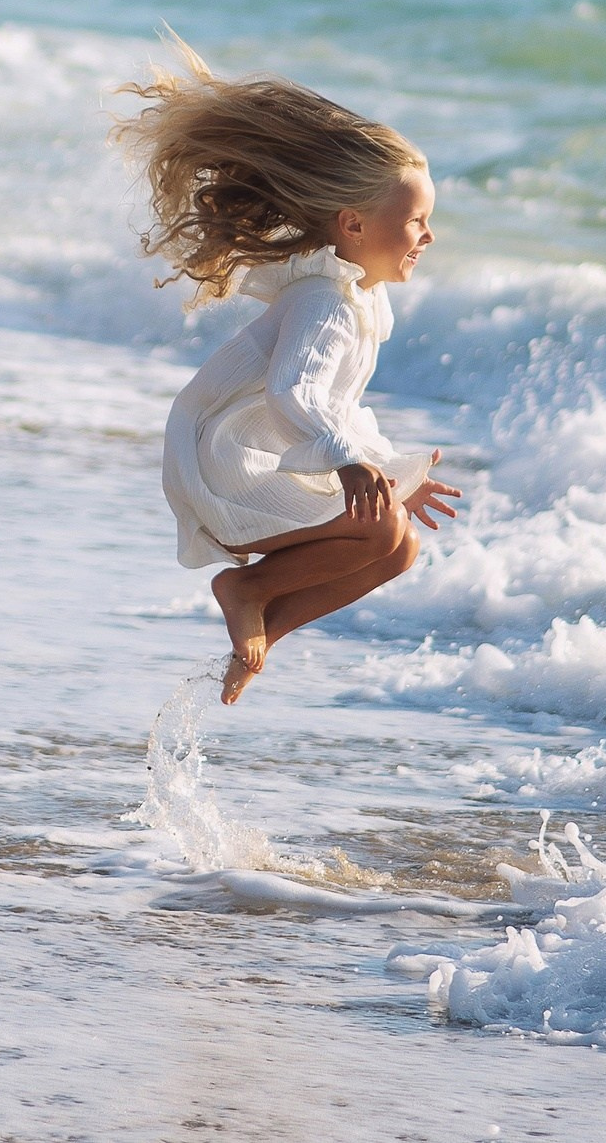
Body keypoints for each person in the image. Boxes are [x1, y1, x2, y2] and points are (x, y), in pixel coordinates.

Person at [117, 48, 464, 705]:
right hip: (230, 462)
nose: (428, 236)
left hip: (266, 455)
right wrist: (348, 466)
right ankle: (245, 591)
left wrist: (389, 469)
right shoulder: (326, 301)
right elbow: (293, 394)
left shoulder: (357, 297)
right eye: (416, 221)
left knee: (399, 548)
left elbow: (337, 405)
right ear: (355, 225)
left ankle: (261, 632)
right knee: (381, 528)